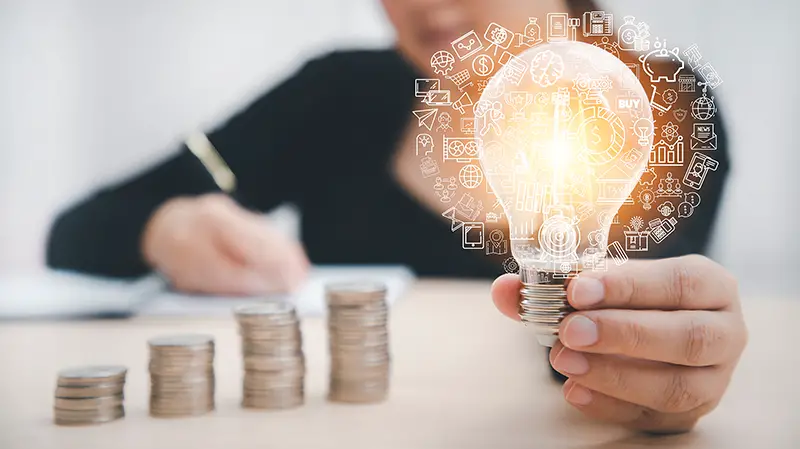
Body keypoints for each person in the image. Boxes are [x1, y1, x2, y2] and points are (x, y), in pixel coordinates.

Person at [45, 0, 747, 434]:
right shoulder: (337, 93)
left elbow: (643, 307)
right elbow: (79, 226)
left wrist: (651, 369)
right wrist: (162, 226)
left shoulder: (657, 102)